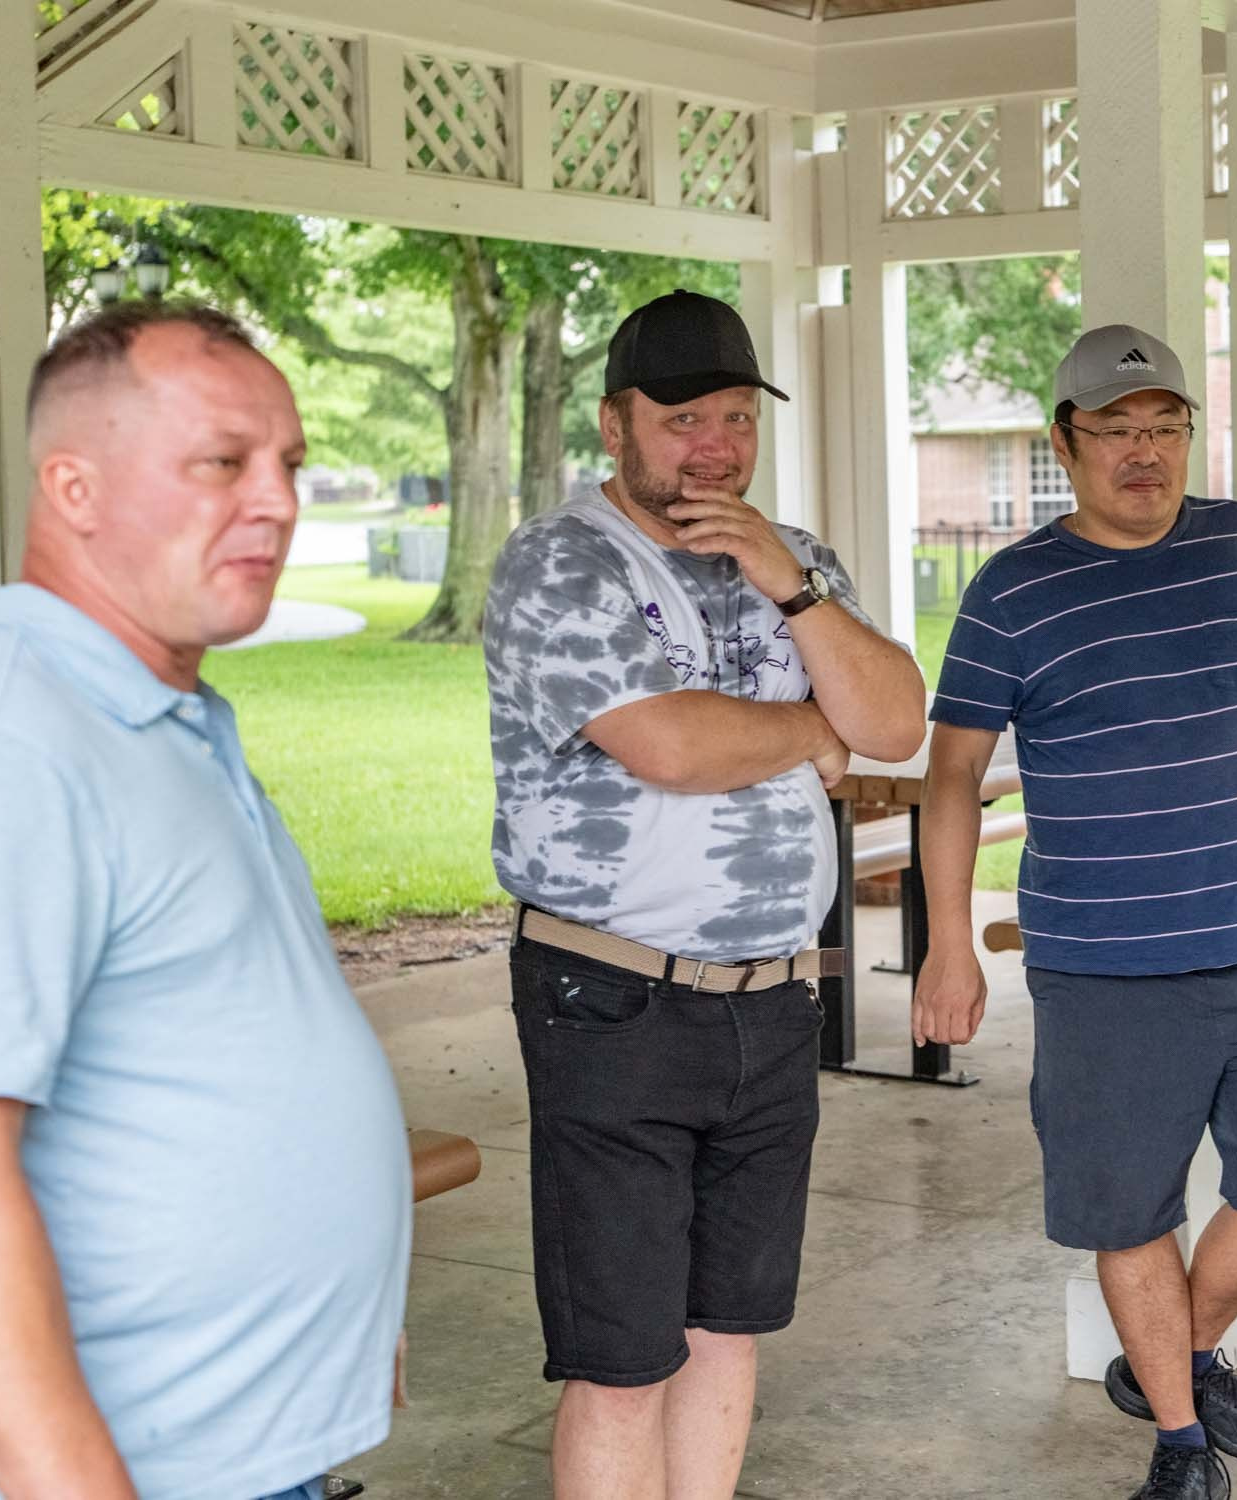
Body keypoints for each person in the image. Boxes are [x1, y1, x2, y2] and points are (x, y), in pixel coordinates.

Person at [0, 302, 413, 1500]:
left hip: (243, 1449)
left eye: (289, 464)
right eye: (221, 463)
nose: (278, 501)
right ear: (74, 489)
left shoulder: (157, 716)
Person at [482, 288, 925, 1500]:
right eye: (682, 419)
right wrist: (808, 733)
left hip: (773, 999)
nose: (715, 445)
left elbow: (890, 720)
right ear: (616, 423)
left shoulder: (795, 558)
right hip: (613, 999)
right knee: (623, 1357)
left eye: (735, 416)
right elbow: (670, 746)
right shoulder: (559, 561)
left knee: (729, 1326)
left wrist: (793, 588)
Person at [913, 324, 1237, 1500]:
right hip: (1100, 966)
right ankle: (1178, 1441)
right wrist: (948, 944)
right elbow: (951, 773)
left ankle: (1178, 1347)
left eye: (1165, 428)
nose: (1145, 454)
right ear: (1063, 441)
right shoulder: (1013, 593)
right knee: (1128, 1208)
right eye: (1116, 431)